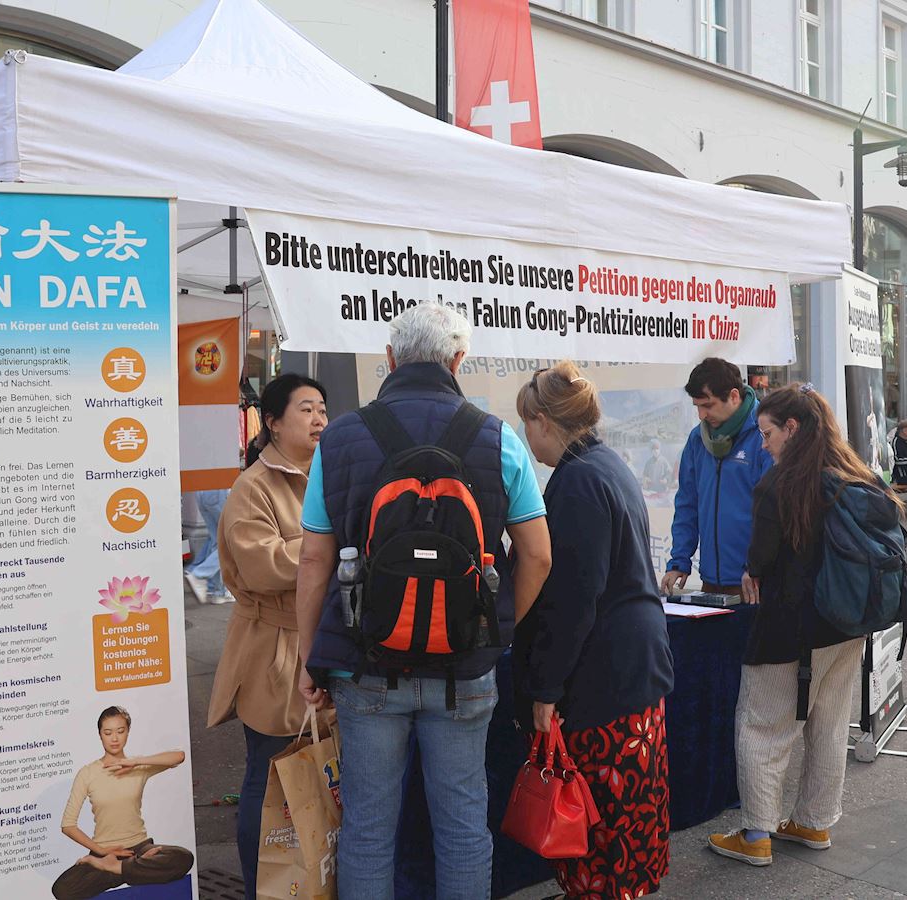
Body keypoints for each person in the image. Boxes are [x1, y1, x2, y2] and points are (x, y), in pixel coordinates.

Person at [295, 302, 553, 900]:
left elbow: (314, 560)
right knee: (463, 824)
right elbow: (537, 554)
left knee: (367, 828)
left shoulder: (341, 438)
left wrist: (312, 657)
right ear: (458, 361)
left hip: (365, 663)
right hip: (465, 667)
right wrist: (495, 626)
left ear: (388, 360)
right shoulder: (497, 437)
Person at [709, 383, 900, 866]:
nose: (764, 443)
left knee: (760, 726)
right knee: (830, 724)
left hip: (788, 628)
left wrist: (752, 570)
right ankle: (814, 824)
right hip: (847, 623)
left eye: (768, 433)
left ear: (792, 428)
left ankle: (756, 835)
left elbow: (761, 558)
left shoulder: (780, 484)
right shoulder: (855, 473)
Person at [514, 361, 674, 899]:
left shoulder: (578, 482)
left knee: (604, 810)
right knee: (631, 806)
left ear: (543, 421)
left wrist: (546, 688)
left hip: (606, 671)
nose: (525, 436)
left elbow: (573, 601)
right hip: (633, 662)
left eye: (525, 424)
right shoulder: (606, 464)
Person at [207, 373, 328, 899]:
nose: (319, 418)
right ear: (273, 422)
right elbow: (263, 566)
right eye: (305, 409)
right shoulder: (253, 486)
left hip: (322, 643)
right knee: (269, 770)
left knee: (318, 772)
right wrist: (325, 544)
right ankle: (262, 886)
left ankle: (306, 880)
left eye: (322, 408)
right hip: (274, 649)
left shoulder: (329, 473)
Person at [53, 707, 194, 900]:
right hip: (105, 852)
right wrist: (101, 852)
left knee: (182, 858)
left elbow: (179, 756)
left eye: (120, 731)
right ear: (100, 735)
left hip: (140, 848)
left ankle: (117, 870)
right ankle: (129, 870)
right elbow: (68, 825)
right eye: (108, 732)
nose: (114, 738)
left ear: (128, 732)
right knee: (63, 889)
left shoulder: (138, 767)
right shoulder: (87, 773)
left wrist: (135, 762)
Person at [661, 358, 771, 596]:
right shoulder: (697, 440)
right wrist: (680, 560)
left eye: (708, 405)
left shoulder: (763, 436)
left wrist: (756, 566)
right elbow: (687, 503)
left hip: (753, 583)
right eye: (697, 406)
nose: (701, 415)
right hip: (711, 582)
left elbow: (772, 512)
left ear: (733, 396)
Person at [184, 489, 233, 604]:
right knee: (230, 542)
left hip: (202, 491)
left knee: (217, 540)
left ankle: (216, 591)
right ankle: (200, 575)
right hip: (220, 489)